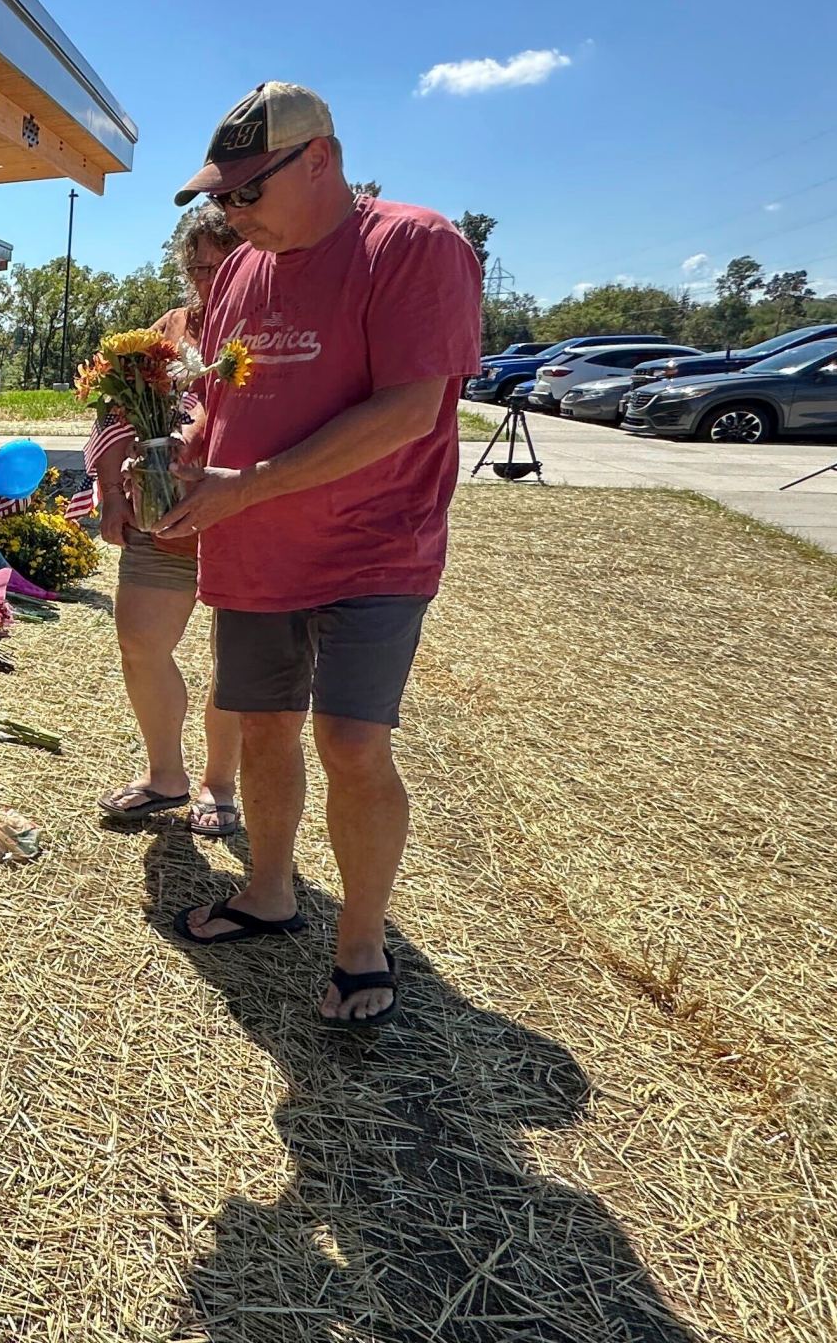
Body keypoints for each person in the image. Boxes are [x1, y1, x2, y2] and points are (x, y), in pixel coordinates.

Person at [153, 81, 484, 1029]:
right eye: (221, 197)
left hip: (373, 547)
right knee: (260, 728)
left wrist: (244, 485)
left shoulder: (412, 246)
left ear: (321, 161)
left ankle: (362, 942)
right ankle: (269, 890)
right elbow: (219, 402)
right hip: (257, 550)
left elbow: (409, 410)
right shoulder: (240, 275)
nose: (232, 212)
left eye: (247, 191)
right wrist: (181, 456)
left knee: (350, 741)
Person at [89, 204, 244, 837]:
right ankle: (165, 776)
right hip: (162, 513)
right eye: (198, 266)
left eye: (223, 264)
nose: (209, 279)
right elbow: (115, 406)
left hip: (244, 514)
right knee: (139, 644)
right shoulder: (171, 329)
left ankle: (220, 785)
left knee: (235, 663)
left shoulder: (273, 328)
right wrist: (109, 485)